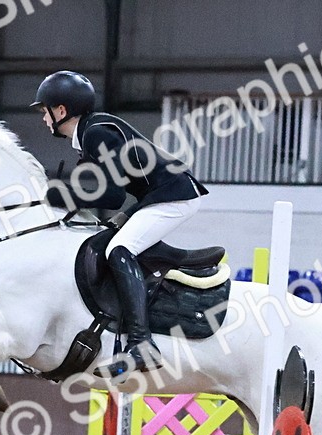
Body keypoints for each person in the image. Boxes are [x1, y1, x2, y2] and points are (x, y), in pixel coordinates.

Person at [32, 70, 208, 378]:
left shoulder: (95, 132)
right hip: (156, 196)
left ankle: (142, 344)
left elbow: (111, 195)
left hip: (174, 195)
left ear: (60, 110)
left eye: (44, 111)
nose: (43, 119)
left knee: (119, 249)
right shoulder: (91, 131)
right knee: (108, 238)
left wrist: (57, 194)